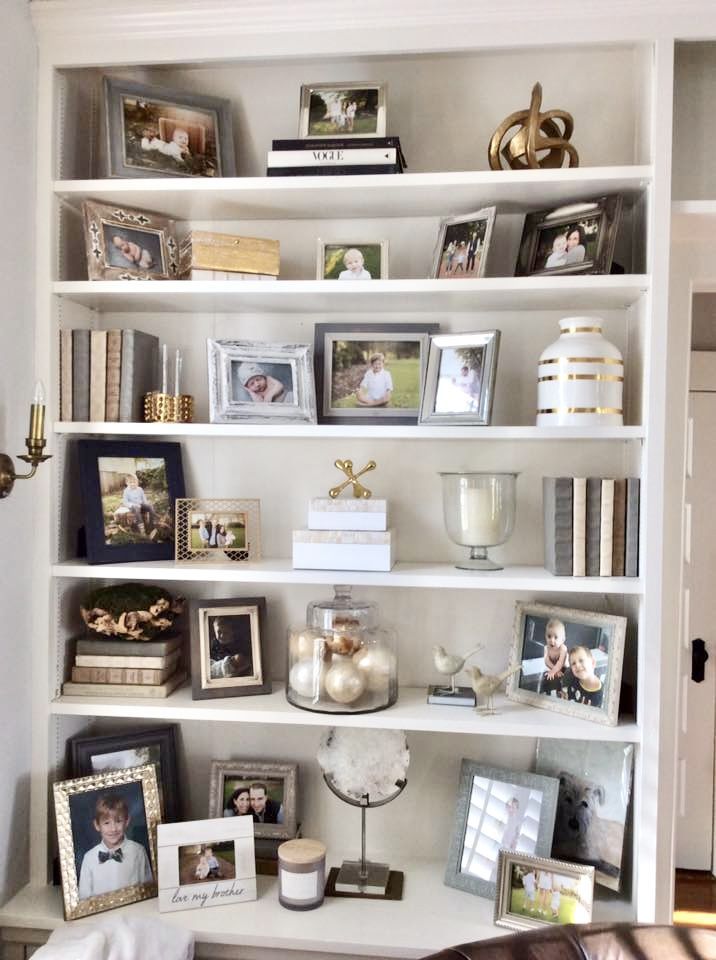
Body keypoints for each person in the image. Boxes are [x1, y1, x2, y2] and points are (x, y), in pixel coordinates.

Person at [77, 793, 152, 900]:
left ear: (127, 821)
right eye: (106, 823)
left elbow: (147, 887)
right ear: (97, 825)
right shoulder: (89, 857)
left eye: (118, 821)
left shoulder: (138, 851)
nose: (113, 829)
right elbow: (84, 896)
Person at [209, 615, 253, 679]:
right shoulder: (214, 643)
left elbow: (246, 663)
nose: (222, 635)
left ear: (232, 632)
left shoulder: (239, 644)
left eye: (226, 632)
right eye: (219, 632)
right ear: (214, 631)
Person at [542, 617, 568, 696]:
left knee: (567, 676)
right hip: (553, 667)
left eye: (556, 637)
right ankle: (548, 692)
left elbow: (560, 662)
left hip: (564, 667)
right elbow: (546, 661)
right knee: (547, 677)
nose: (552, 640)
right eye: (549, 636)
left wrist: (554, 671)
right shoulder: (546, 648)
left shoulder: (563, 648)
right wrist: (554, 671)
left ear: (563, 640)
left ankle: (563, 691)